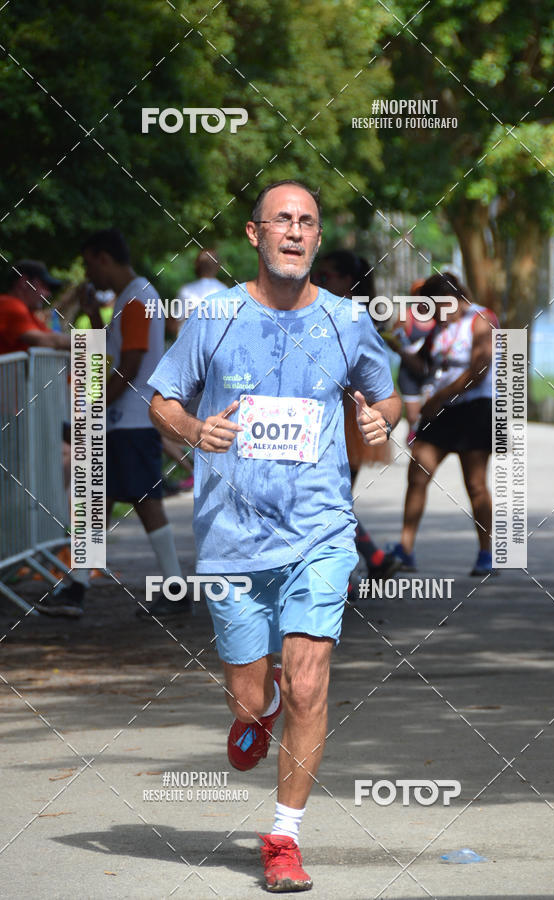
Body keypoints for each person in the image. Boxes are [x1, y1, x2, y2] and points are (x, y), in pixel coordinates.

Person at [147, 180, 402, 893]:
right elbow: (162, 398)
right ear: (255, 235)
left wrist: (383, 417)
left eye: (307, 222)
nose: (294, 231)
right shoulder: (215, 315)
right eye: (281, 220)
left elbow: (386, 394)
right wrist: (196, 430)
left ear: (317, 240)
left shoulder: (347, 321)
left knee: (310, 683)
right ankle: (251, 712)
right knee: (249, 690)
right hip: (231, 536)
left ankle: (284, 838)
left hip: (320, 531)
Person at [36, 229, 185, 619]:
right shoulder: (131, 298)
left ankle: (172, 588)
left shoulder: (136, 298)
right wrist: (86, 314)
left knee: (143, 502)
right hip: (127, 420)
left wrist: (95, 408)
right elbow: (110, 348)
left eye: (88, 263)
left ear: (103, 258)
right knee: (99, 501)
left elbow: (131, 365)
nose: (88, 273)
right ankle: (78, 587)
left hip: (131, 420)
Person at [392, 272, 498, 576]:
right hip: (442, 410)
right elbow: (423, 367)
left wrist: (439, 397)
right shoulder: (441, 328)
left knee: (475, 484)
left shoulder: (481, 318)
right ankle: (405, 549)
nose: (434, 315)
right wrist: (397, 346)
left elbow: (480, 368)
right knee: (417, 475)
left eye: (437, 307)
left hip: (477, 408)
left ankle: (486, 553)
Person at [313, 250, 403, 585]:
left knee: (334, 498)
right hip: (331, 414)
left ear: (348, 282)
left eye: (326, 277)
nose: (318, 282)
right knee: (335, 497)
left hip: (350, 415)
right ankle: (373, 559)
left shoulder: (354, 317)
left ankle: (349, 573)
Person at [382, 278, 436, 445]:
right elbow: (392, 338)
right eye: (418, 294)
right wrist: (402, 348)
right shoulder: (407, 316)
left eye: (425, 294)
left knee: (427, 412)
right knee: (413, 416)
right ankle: (413, 435)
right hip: (409, 372)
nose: (421, 297)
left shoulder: (438, 317)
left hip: (431, 372)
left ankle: (423, 444)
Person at [0, 260, 70, 353]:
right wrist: (86, 342)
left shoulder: (28, 313)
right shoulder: (10, 305)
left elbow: (51, 337)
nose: (48, 293)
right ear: (24, 282)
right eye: (43, 285)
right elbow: (44, 340)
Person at [174, 248, 227, 329]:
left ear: (196, 266)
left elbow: (175, 323)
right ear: (218, 266)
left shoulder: (186, 291)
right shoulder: (225, 291)